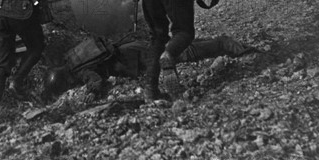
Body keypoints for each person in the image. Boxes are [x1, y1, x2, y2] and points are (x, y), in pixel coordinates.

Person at [43, 35, 254, 100]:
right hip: (130, 50)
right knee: (177, 48)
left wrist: (90, 93)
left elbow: (96, 82)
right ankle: (224, 43)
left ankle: (225, 45)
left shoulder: (81, 72)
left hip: (136, 58)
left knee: (180, 55)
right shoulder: (73, 60)